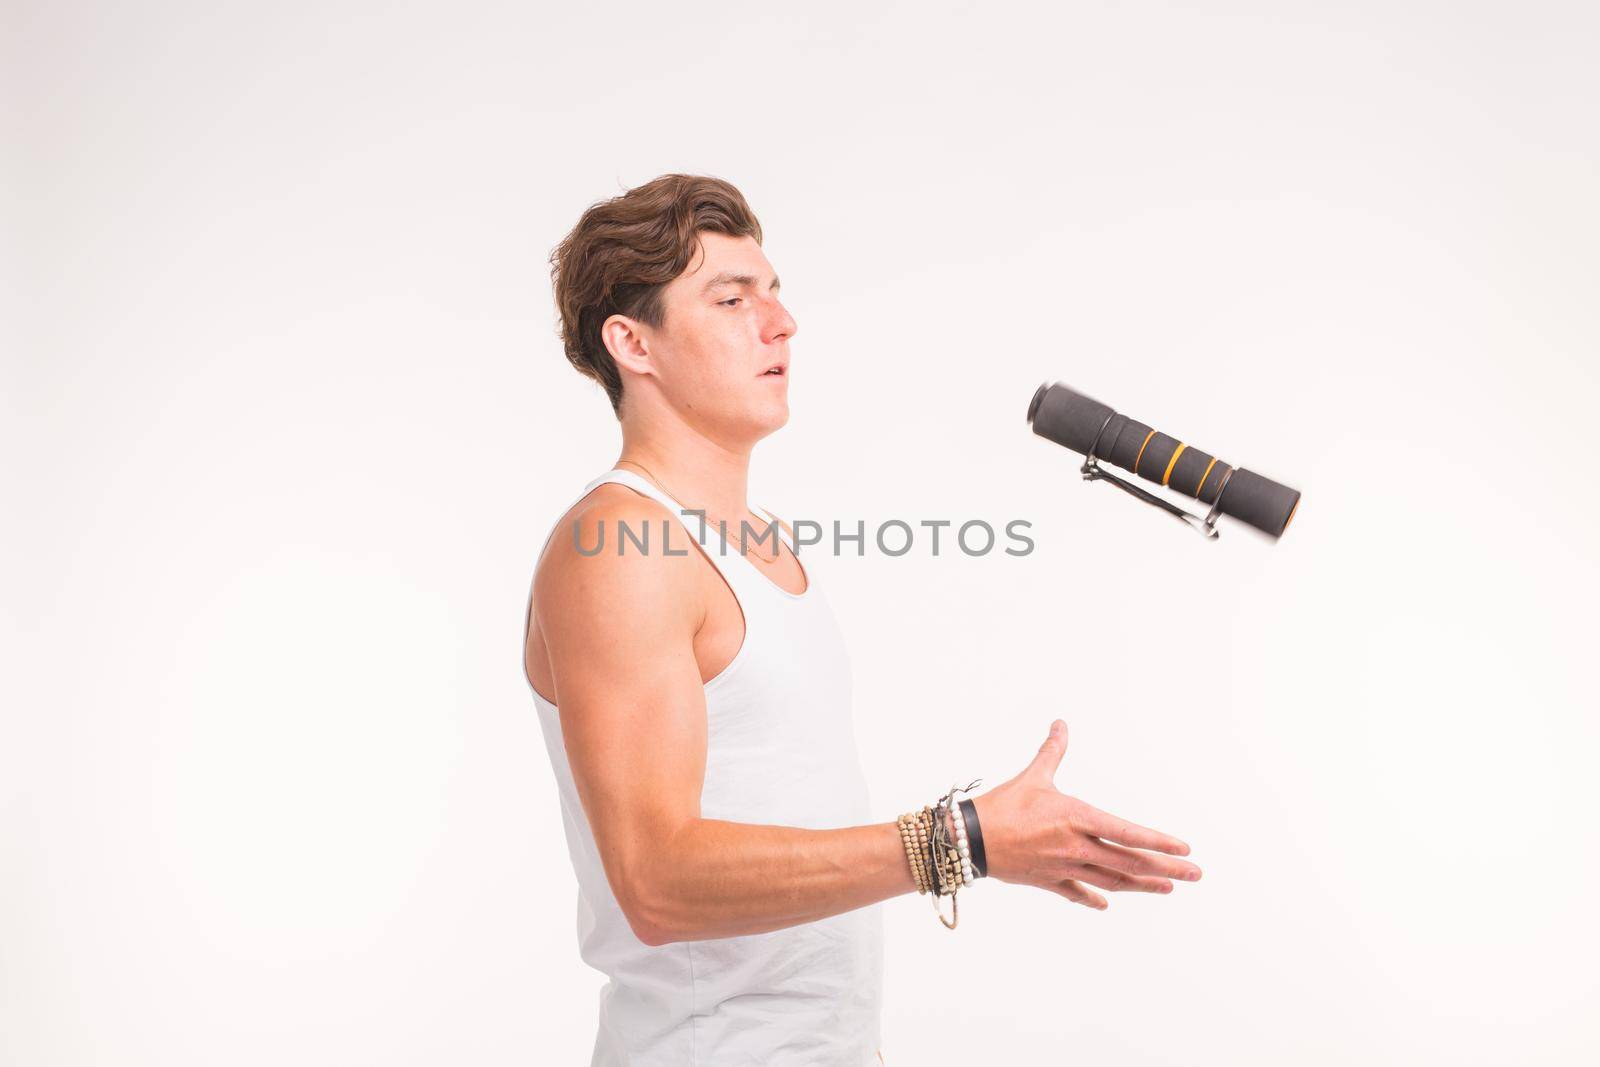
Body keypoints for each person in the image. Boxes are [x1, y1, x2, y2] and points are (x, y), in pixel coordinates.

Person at [521, 173, 1203, 1066]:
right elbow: (657, 882)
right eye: (731, 299)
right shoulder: (621, 543)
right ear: (631, 342)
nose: (780, 323)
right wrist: (959, 840)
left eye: (774, 292)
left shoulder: (749, 543)